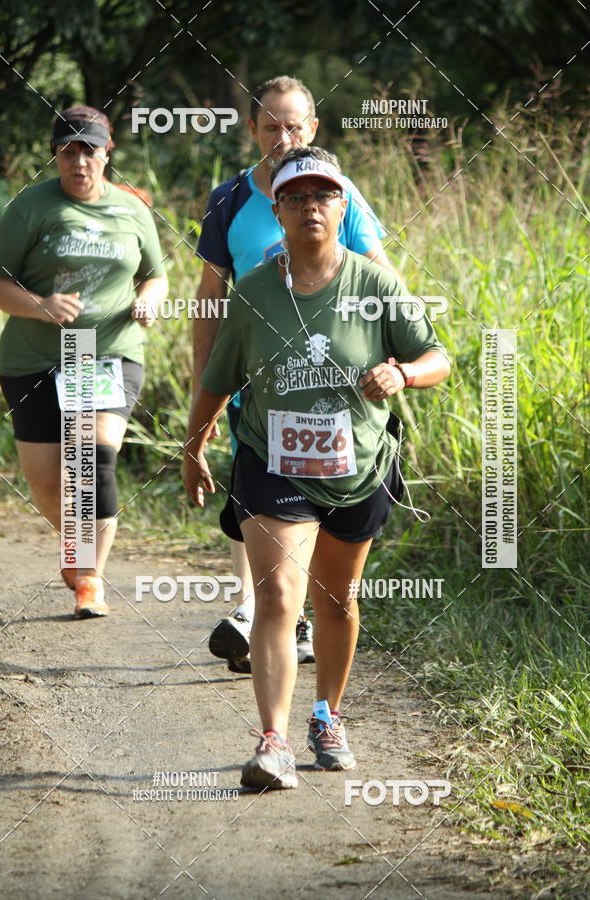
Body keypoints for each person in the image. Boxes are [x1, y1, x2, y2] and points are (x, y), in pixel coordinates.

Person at [183, 147, 450, 789]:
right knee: (278, 594)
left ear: (343, 207)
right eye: (296, 196)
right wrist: (194, 447)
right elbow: (218, 380)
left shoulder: (376, 284)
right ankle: (271, 742)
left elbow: (439, 358)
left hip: (356, 467)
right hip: (271, 464)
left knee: (338, 600)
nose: (310, 206)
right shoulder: (251, 293)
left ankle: (327, 714)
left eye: (323, 195)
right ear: (277, 210)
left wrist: (404, 372)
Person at [195, 74, 399, 674]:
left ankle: (284, 618)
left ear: (313, 128)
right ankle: (265, 612)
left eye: (295, 125)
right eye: (272, 126)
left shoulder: (336, 192)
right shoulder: (228, 199)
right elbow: (210, 298)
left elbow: (382, 277)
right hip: (258, 388)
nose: (284, 136)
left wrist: (391, 364)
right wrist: (204, 388)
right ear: (252, 130)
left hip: (337, 389)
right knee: (257, 497)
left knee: (317, 500)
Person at [0, 106, 168, 618]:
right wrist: (41, 306)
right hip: (33, 356)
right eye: (69, 151)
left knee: (93, 462)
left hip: (101, 351)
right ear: (57, 156)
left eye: (89, 150)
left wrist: (152, 299)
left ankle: (89, 575)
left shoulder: (131, 209)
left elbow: (155, 274)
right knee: (46, 480)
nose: (80, 161)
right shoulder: (31, 207)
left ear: (107, 153)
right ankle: (77, 542)